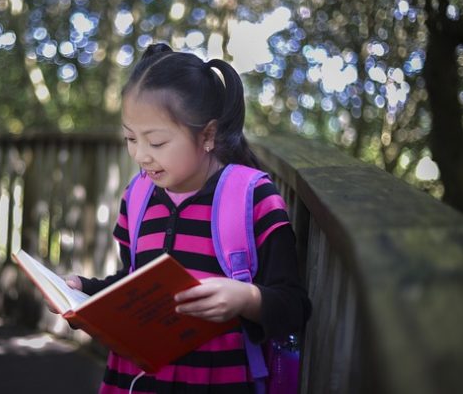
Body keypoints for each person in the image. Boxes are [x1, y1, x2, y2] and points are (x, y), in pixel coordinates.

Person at [63, 43, 311, 393]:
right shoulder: (137, 197)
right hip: (135, 379)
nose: (141, 156)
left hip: (217, 381)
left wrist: (246, 298)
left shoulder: (253, 198)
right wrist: (85, 295)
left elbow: (293, 306)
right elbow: (132, 281)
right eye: (131, 139)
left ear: (207, 135)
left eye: (157, 142)